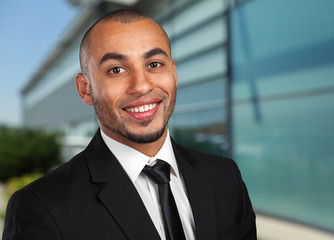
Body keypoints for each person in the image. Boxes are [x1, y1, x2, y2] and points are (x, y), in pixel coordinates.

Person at [2, 9, 256, 240]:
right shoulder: (40, 207)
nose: (142, 86)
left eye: (154, 64)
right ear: (85, 89)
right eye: (116, 70)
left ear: (174, 73)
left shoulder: (225, 177)